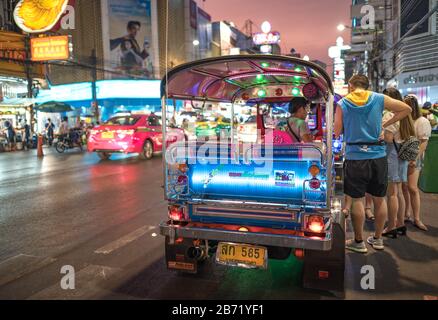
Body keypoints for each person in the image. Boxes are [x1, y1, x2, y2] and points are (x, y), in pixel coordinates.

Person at [334, 75, 411, 253]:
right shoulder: (378, 98)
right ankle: (377, 239)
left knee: (358, 200)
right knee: (379, 199)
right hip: (378, 156)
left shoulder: (343, 103)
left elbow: (336, 131)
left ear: (350, 86)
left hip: (355, 157)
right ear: (367, 86)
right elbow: (406, 109)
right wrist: (385, 123)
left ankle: (358, 242)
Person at [381, 88, 416, 238]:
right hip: (402, 155)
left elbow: (388, 138)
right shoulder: (406, 115)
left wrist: (381, 133)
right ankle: (400, 224)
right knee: (400, 192)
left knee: (392, 194)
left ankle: (390, 227)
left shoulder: (390, 114)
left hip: (392, 155)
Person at [402, 95, 432, 231]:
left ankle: (417, 218)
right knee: (404, 187)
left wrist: (414, 158)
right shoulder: (405, 120)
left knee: (413, 188)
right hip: (403, 157)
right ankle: (406, 213)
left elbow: (424, 143)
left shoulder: (422, 121)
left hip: (415, 158)